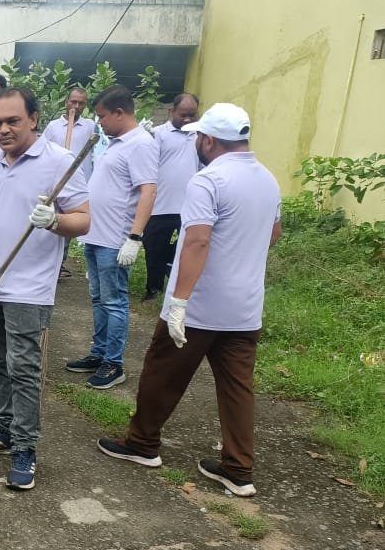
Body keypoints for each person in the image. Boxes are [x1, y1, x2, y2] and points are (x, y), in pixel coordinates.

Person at [98, 103, 280, 498]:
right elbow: (273, 233)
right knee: (237, 388)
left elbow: (197, 239)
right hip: (245, 308)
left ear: (210, 140)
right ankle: (238, 468)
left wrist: (178, 302)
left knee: (162, 372)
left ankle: (142, 444)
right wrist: (242, 260)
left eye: (199, 136)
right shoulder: (268, 180)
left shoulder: (208, 181)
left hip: (199, 305)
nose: (195, 141)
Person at [0, 87, 90, 489]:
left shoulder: (58, 162)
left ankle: (25, 447)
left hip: (30, 289)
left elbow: (84, 219)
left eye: (12, 122)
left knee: (23, 369)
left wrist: (55, 222)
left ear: (34, 120)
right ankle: (3, 430)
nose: (3, 130)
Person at [66, 84, 158, 390]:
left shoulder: (140, 144)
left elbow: (148, 190)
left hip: (116, 239)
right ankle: (99, 352)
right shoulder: (116, 142)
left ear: (120, 113)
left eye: (103, 116)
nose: (100, 122)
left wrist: (135, 237)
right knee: (98, 298)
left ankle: (113, 363)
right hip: (96, 234)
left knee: (115, 301)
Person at [143, 93, 200, 301]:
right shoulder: (157, 135)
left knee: (189, 248)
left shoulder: (200, 137)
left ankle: (182, 293)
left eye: (192, 115)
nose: (187, 119)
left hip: (190, 207)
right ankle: (153, 290)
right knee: (153, 248)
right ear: (171, 111)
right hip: (160, 205)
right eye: (183, 115)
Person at [42, 86, 98, 279]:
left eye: (81, 103)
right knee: (53, 221)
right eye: (73, 101)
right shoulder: (53, 127)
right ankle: (50, 265)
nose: (76, 106)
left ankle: (60, 263)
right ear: (66, 102)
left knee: (71, 225)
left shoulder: (91, 126)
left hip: (80, 185)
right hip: (57, 183)